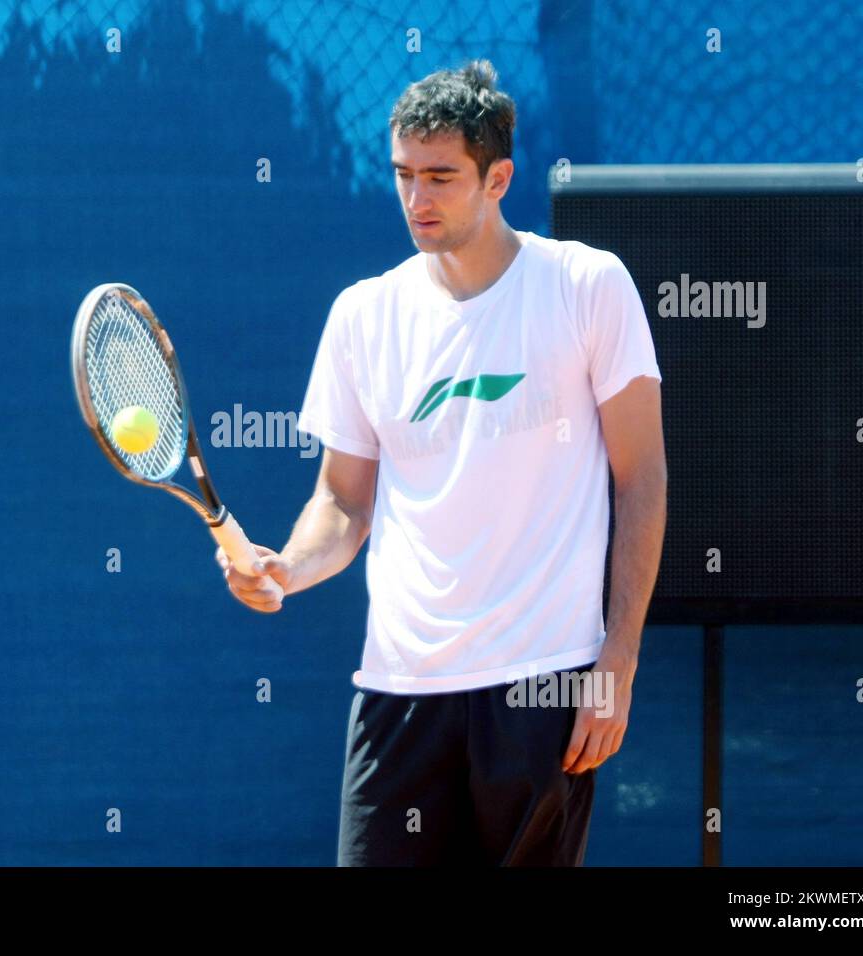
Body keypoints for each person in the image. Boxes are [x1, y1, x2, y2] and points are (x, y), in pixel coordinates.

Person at [214, 59, 666, 866]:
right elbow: (344, 503)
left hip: (543, 685)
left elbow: (642, 479)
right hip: (399, 691)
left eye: (441, 177)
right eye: (402, 175)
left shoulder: (587, 286)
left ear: (498, 178)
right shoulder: (363, 315)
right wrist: (286, 566)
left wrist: (619, 659)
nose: (416, 200)